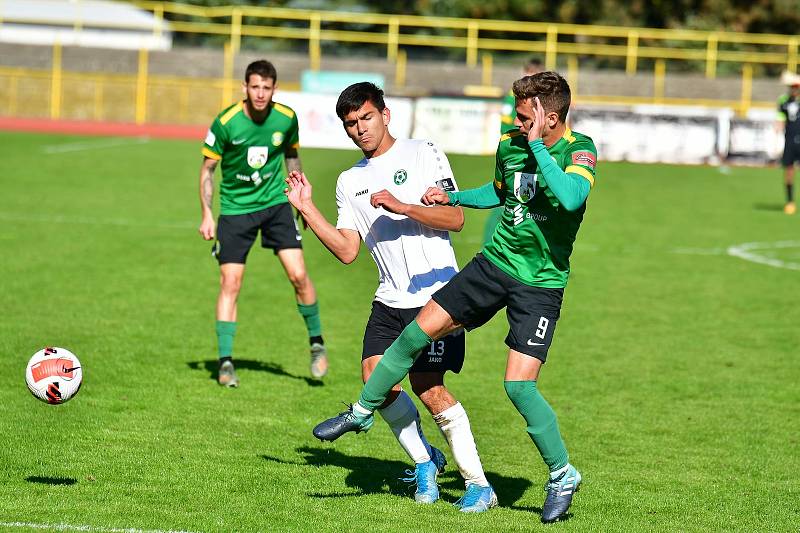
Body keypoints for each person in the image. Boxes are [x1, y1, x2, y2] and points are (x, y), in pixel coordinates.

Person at [313, 72, 597, 524]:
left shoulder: (579, 150)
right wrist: (454, 194)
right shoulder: (512, 143)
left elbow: (568, 198)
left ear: (552, 117)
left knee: (518, 387)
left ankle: (562, 474)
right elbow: (503, 192)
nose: (516, 123)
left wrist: (538, 144)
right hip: (493, 264)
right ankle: (363, 410)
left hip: (541, 284)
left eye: (526, 117)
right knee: (414, 332)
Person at [285, 82, 496, 512]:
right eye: (350, 124)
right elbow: (346, 249)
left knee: (428, 388)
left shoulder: (423, 152)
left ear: (385, 114)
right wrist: (307, 208)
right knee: (373, 378)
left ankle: (479, 484)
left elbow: (455, 217)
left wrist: (405, 207)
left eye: (365, 117)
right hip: (389, 299)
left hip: (437, 297)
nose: (359, 129)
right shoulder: (349, 181)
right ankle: (425, 461)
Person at [198, 59, 328, 387]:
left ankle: (317, 344)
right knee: (231, 282)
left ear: (274, 89)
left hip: (275, 206)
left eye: (266, 88)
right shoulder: (226, 122)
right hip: (236, 210)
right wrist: (206, 214)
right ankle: (226, 362)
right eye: (254, 87)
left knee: (298, 275)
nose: (260, 93)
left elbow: (292, 156)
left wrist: (302, 199)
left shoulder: (286, 119)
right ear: (245, 87)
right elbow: (207, 171)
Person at [482, 57, 545, 245]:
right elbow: (506, 126)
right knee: (515, 200)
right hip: (521, 154)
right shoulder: (514, 98)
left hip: (535, 153)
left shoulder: (541, 99)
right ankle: (493, 245)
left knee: (527, 202)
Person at [777, 71, 800, 215]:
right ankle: (790, 201)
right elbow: (779, 120)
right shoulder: (784, 101)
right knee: (789, 171)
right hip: (790, 140)